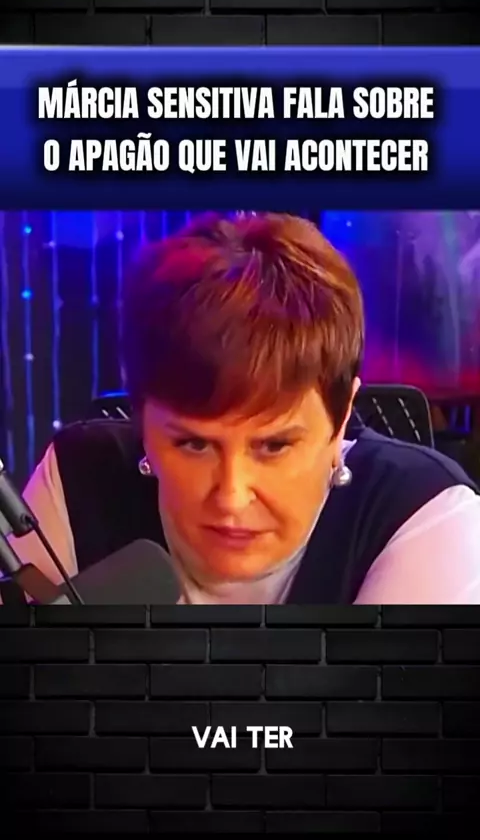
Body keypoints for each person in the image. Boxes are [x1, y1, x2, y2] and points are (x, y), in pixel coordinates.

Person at [8, 212, 480, 604]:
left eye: (273, 446)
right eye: (194, 444)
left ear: (340, 423)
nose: (231, 497)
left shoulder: (429, 516)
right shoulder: (78, 478)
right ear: (142, 421)